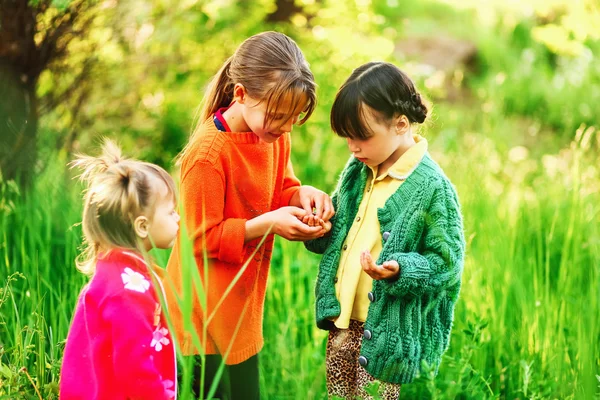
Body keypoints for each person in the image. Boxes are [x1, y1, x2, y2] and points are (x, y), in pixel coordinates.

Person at [165, 31, 334, 399]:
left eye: (293, 118)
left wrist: (303, 195)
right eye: (278, 116)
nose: (287, 127)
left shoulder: (272, 135)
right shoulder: (208, 156)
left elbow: (282, 187)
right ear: (240, 94)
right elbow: (199, 239)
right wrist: (270, 223)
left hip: (240, 307)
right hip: (202, 317)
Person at [304, 61, 465, 399]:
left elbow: (447, 264)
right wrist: (319, 228)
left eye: (361, 136)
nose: (352, 147)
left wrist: (402, 269)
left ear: (401, 125)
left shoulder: (433, 188)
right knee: (337, 394)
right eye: (347, 137)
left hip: (387, 332)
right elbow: (340, 234)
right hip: (343, 321)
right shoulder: (357, 170)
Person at [60, 140, 180, 400]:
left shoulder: (115, 271)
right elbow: (134, 366)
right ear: (142, 226)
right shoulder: (128, 289)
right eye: (171, 212)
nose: (178, 218)